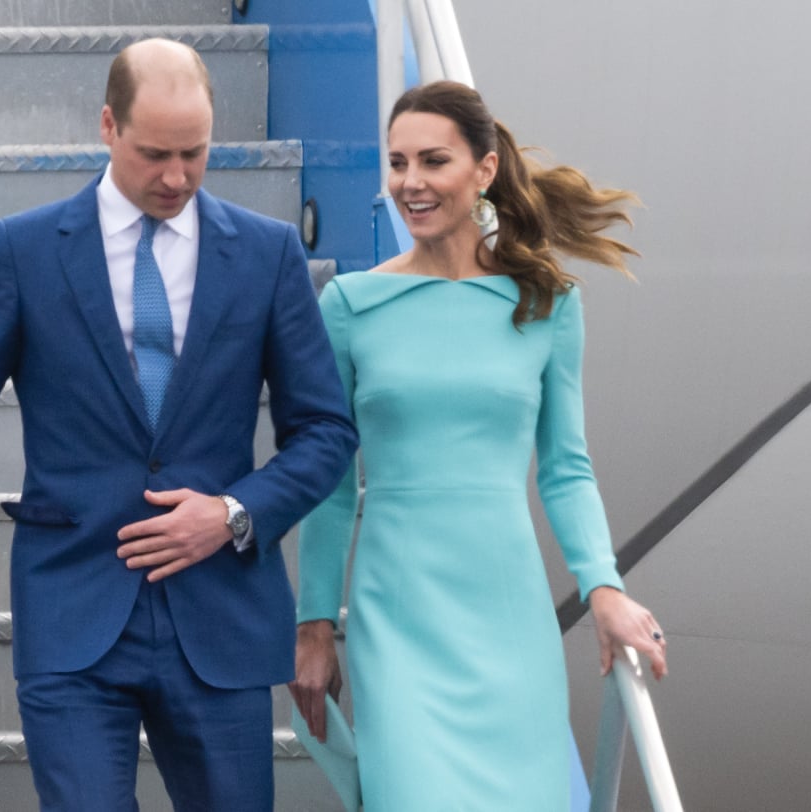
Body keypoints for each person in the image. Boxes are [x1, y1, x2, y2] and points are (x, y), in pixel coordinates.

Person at [0, 38, 358, 811]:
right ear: (108, 127)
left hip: (223, 617)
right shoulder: (24, 250)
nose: (176, 176)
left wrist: (233, 513)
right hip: (74, 613)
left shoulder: (268, 254)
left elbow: (326, 434)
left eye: (195, 154)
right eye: (154, 154)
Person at [289, 80, 669, 811]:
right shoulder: (349, 305)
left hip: (508, 615)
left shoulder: (548, 305)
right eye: (398, 164)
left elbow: (565, 469)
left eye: (433, 161)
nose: (411, 182)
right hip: (395, 613)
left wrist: (604, 588)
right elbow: (331, 482)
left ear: (484, 170)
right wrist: (315, 624)